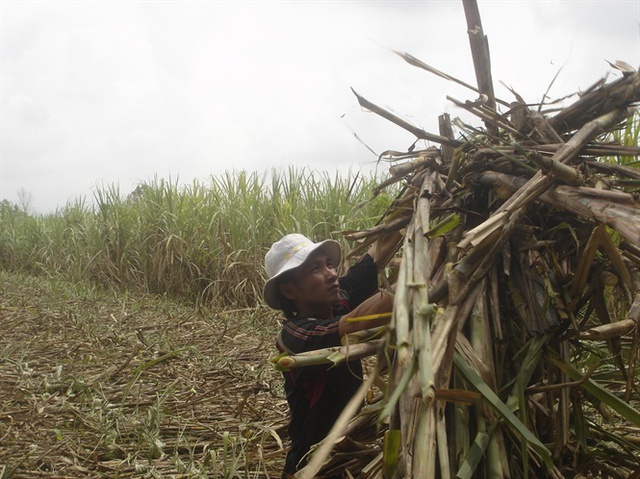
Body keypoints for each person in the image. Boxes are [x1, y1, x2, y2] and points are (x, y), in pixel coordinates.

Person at [263, 232, 400, 478]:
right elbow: (353, 324)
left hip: (349, 448)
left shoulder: (335, 302)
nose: (332, 274)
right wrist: (418, 275)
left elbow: (372, 260)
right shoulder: (295, 335)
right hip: (315, 462)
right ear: (289, 290)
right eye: (316, 269)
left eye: (329, 264)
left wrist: (408, 215)